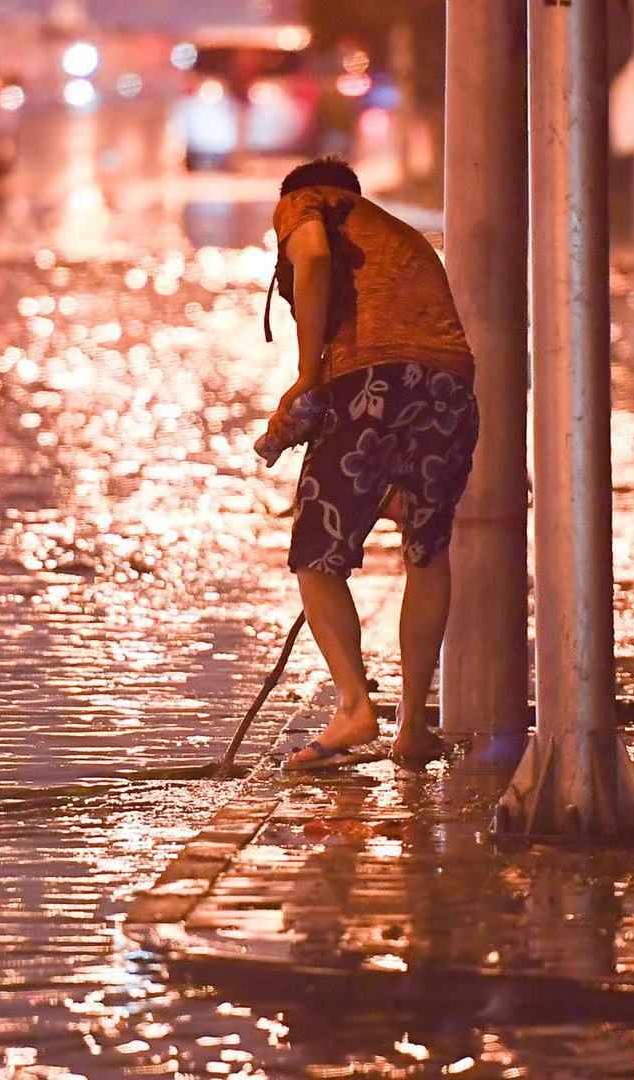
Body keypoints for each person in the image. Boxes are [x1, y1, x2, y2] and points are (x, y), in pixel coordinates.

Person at [260, 156, 478, 771]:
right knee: (427, 549)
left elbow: (316, 260)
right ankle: (411, 727)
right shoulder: (393, 233)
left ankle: (355, 708)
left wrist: (307, 374)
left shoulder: (308, 202)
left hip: (374, 382)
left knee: (314, 550)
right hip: (449, 384)